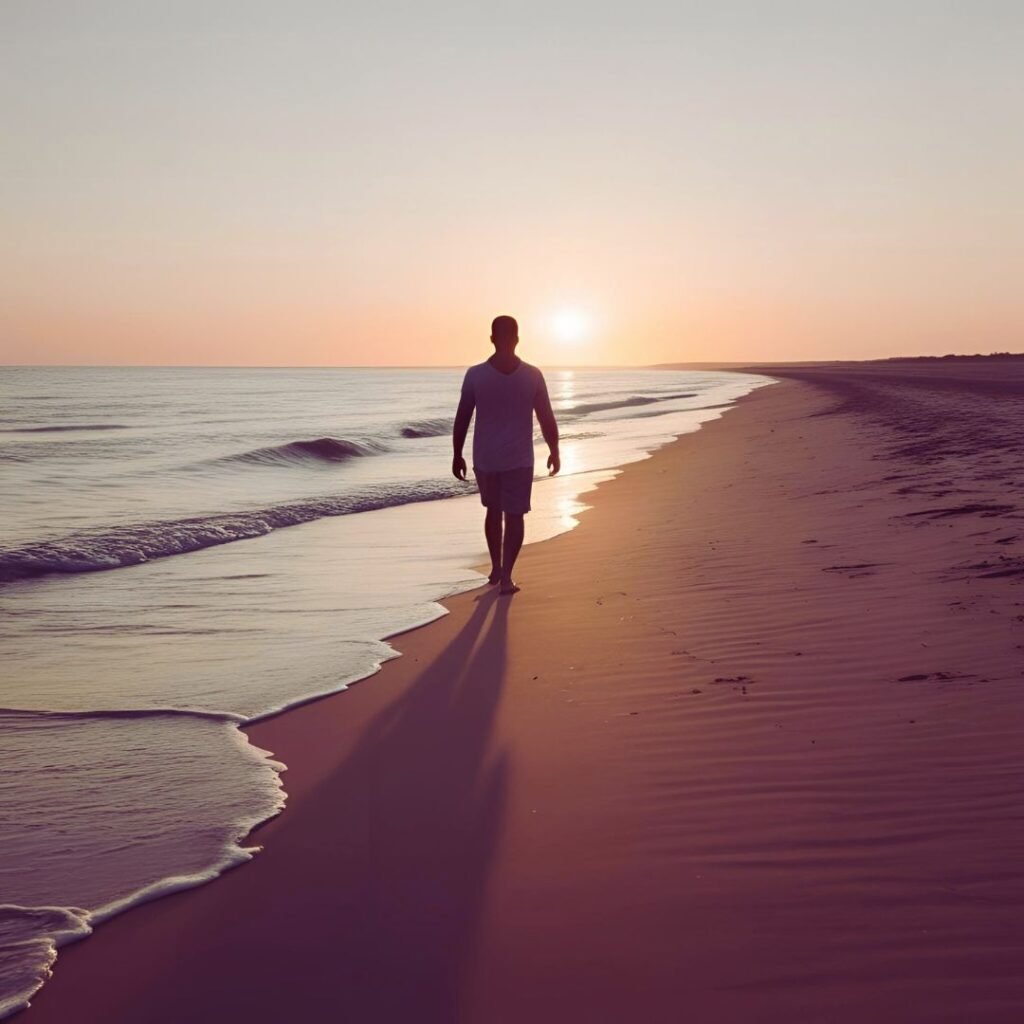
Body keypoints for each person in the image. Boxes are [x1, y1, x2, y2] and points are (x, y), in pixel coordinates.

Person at [452, 315, 560, 595]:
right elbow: (546, 417)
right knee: (515, 515)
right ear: (517, 338)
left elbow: (462, 416)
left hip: (487, 458)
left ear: (491, 338)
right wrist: (554, 450)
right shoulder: (532, 375)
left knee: (493, 512)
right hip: (519, 459)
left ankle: (498, 569)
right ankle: (507, 576)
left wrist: (457, 453)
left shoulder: (475, 374)